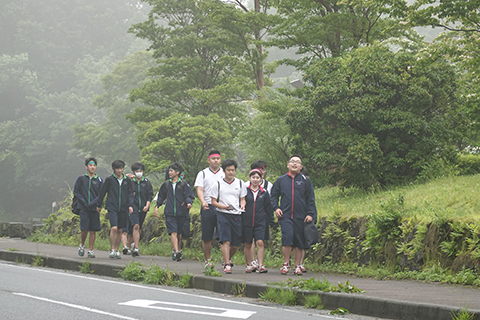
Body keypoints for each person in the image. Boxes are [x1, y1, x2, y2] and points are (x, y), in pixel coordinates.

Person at [270, 155, 317, 275]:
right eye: (292, 162)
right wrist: (276, 208)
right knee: (287, 237)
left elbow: (310, 199)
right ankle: (286, 264)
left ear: (301, 167)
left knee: (299, 241)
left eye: (297, 162)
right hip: (285, 215)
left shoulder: (305, 180)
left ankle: (297, 266)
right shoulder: (281, 180)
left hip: (301, 216)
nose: (294, 164)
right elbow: (273, 196)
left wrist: (310, 214)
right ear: (288, 165)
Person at [211, 159, 246, 274]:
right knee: (225, 241)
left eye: (233, 170)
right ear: (224, 171)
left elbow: (242, 199)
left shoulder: (240, 183)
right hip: (222, 214)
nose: (231, 172)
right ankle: (227, 264)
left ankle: (226, 259)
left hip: (236, 214)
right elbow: (213, 201)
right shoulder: (217, 184)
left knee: (235, 244)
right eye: (228, 170)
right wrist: (223, 207)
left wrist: (242, 206)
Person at [155, 162, 194, 261]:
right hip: (169, 212)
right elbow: (161, 196)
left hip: (182, 212)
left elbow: (189, 195)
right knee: (173, 231)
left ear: (177, 172)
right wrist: (157, 206)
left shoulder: (184, 184)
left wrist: (189, 203)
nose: (169, 173)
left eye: (171, 171)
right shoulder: (166, 184)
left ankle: (178, 250)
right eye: (169, 171)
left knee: (179, 233)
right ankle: (176, 251)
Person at [97, 160, 134, 259]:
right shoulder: (109, 179)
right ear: (114, 169)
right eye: (117, 169)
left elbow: (130, 193)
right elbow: (103, 192)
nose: (119, 170)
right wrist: (99, 204)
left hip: (123, 207)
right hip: (112, 206)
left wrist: (130, 205)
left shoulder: (127, 180)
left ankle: (117, 249)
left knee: (120, 229)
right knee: (114, 227)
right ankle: (112, 249)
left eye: (121, 168)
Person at [194, 150, 225, 268]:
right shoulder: (202, 174)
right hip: (208, 206)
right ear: (208, 160)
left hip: (221, 207)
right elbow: (200, 189)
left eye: (218, 158)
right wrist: (203, 202)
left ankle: (225, 259)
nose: (216, 160)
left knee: (223, 235)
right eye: (213, 158)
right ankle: (208, 260)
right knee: (207, 235)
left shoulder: (224, 173)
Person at [242, 168, 273, 273]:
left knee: (260, 242)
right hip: (247, 221)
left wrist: (271, 220)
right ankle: (248, 264)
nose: (255, 180)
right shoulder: (245, 191)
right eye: (253, 177)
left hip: (260, 221)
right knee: (248, 243)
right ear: (250, 178)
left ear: (261, 179)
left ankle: (260, 264)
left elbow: (268, 207)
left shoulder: (264, 193)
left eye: (257, 177)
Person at [73, 157, 103, 258]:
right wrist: (84, 202)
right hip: (83, 207)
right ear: (86, 167)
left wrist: (94, 203)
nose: (92, 167)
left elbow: (101, 194)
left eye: (94, 165)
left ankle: (90, 250)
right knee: (84, 228)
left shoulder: (99, 180)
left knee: (93, 229)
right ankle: (82, 245)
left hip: (94, 208)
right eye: (90, 165)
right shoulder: (81, 178)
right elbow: (76, 192)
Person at [127, 162, 154, 257]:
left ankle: (128, 246)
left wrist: (147, 205)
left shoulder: (146, 182)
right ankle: (136, 248)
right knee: (136, 226)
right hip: (132, 207)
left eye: (141, 171)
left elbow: (149, 195)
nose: (139, 173)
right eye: (137, 171)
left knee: (136, 228)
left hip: (143, 208)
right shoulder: (130, 182)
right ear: (134, 172)